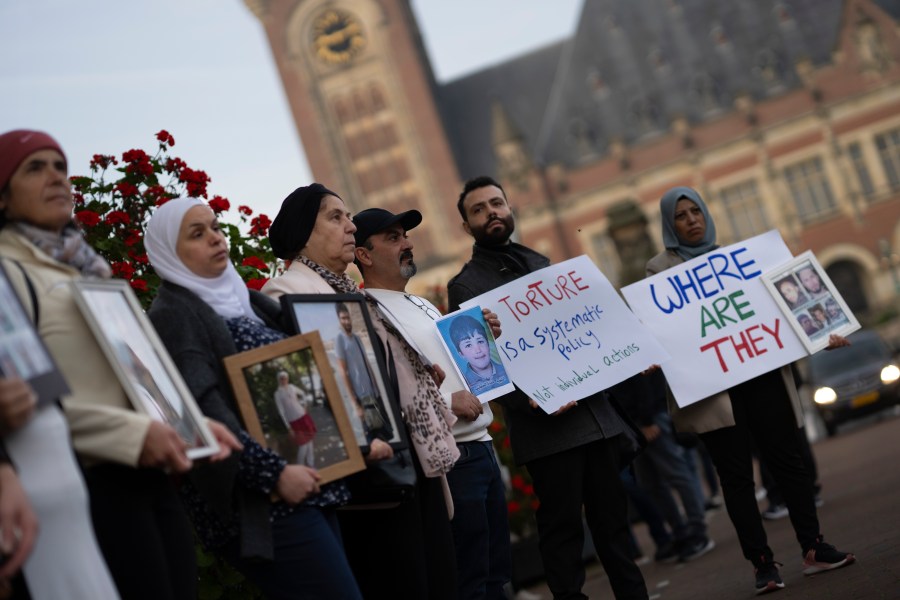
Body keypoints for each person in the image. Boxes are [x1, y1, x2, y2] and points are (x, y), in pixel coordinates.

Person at [0, 129, 240, 600]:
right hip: (87, 482)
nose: (55, 177)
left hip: (149, 474)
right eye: (34, 167)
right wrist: (132, 435)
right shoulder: (9, 272)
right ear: (3, 198)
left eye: (59, 166)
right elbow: (27, 401)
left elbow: (136, 375)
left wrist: (192, 425)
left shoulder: (86, 266)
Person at [144, 196, 363, 600]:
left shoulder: (243, 300)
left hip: (305, 483)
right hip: (265, 502)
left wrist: (356, 436)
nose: (214, 237)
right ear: (168, 252)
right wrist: (274, 474)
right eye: (197, 233)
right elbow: (201, 411)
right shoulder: (174, 314)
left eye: (213, 226)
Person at [646, 186, 855, 594]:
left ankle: (813, 547)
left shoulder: (743, 259)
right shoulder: (659, 271)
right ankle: (762, 563)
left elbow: (783, 307)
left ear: (706, 214)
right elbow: (664, 326)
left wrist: (823, 331)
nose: (691, 220)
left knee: (789, 462)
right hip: (716, 390)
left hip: (761, 375)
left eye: (696, 211)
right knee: (737, 477)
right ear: (669, 225)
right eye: (681, 216)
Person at [448, 175, 648, 600]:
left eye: (496, 203)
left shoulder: (540, 262)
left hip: (594, 417)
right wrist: (532, 402)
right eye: (478, 210)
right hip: (547, 430)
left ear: (509, 207)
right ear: (467, 226)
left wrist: (632, 354)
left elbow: (585, 330)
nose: (491, 213)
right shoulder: (464, 286)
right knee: (562, 535)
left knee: (615, 529)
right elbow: (480, 368)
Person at [263, 184, 460, 599]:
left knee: (437, 581)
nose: (351, 226)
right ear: (304, 231)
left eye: (348, 216)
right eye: (336, 217)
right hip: (370, 475)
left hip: (411, 459)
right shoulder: (284, 293)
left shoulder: (351, 291)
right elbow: (313, 392)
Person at [352, 206, 512, 599]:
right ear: (364, 255)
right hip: (451, 458)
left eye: (404, 235)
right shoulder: (366, 314)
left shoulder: (421, 303)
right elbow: (380, 390)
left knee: (495, 573)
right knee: (467, 579)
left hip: (482, 448)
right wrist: (446, 401)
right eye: (393, 238)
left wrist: (479, 333)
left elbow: (451, 369)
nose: (407, 244)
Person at [610, 371, 715, 563]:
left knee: (676, 474)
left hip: (648, 418)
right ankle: (681, 532)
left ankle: (697, 531)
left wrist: (647, 419)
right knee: (650, 482)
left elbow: (640, 378)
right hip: (634, 421)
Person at [333, 302, 393, 440]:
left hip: (374, 394)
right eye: (343, 318)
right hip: (362, 397)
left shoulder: (357, 338)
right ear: (338, 319)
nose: (347, 321)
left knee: (387, 433)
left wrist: (377, 389)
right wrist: (355, 404)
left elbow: (367, 363)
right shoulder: (339, 339)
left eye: (348, 317)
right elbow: (343, 372)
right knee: (373, 438)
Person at [448, 314, 510, 396]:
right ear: (461, 354)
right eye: (468, 345)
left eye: (480, 341)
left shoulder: (507, 369)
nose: (477, 350)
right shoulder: (463, 387)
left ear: (488, 343)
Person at [273, 371, 315, 467]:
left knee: (310, 441)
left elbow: (303, 393)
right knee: (303, 444)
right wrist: (288, 427)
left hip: (303, 416)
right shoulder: (277, 394)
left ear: (287, 378)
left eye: (285, 378)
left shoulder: (292, 387)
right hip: (294, 421)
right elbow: (281, 411)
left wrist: (305, 406)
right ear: (279, 380)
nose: (284, 380)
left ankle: (311, 465)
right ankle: (300, 466)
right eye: (281, 378)